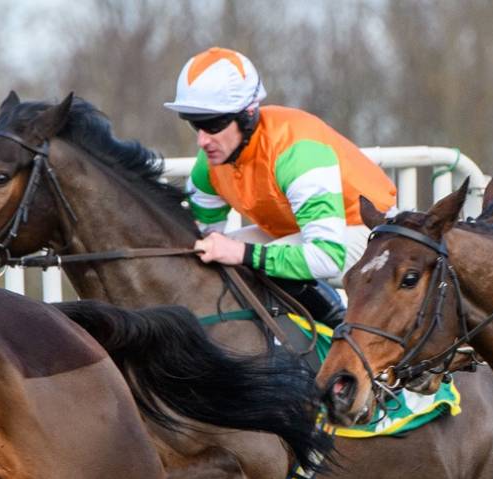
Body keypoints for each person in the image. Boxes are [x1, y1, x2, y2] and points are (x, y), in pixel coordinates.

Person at [165, 47, 398, 328]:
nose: (203, 141)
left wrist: (242, 253)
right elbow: (204, 238)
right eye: (194, 125)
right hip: (299, 231)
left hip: (369, 232)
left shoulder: (297, 152)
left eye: (213, 124)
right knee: (205, 261)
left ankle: (343, 337)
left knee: (257, 267)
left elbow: (326, 256)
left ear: (248, 114)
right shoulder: (210, 163)